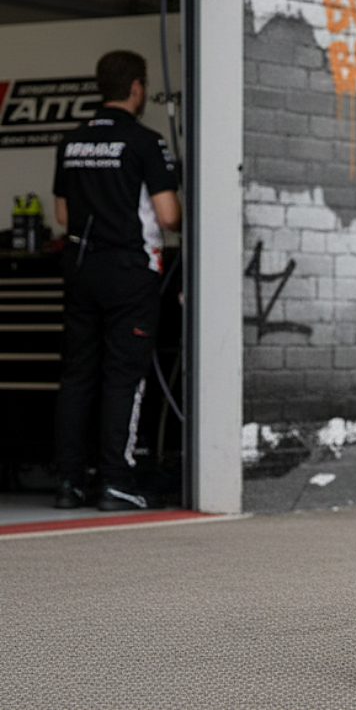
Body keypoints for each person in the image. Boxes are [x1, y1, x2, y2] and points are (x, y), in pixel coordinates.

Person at [52, 50, 181, 511]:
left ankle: (67, 483)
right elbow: (168, 215)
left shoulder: (71, 141)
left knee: (77, 375)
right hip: (129, 272)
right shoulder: (145, 141)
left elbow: (62, 215)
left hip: (81, 268)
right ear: (137, 88)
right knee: (124, 377)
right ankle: (115, 482)